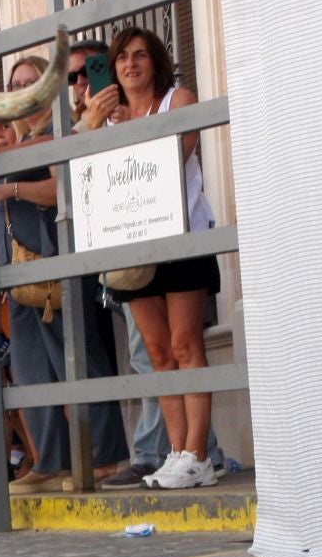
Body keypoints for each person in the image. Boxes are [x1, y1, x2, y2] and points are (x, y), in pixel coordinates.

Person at [79, 25, 226, 490]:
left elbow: (170, 159)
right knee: (159, 354)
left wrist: (124, 129)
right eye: (121, 58)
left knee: (187, 346)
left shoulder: (176, 101)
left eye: (140, 55)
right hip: (133, 240)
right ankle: (177, 450)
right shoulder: (105, 118)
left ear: (155, 61)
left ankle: (200, 455)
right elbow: (89, 176)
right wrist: (93, 122)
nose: (130, 64)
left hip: (180, 237)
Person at [0, 56, 128, 493]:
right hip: (18, 270)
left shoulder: (62, 129)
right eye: (17, 83)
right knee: (31, 368)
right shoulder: (22, 137)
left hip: (56, 260)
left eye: (33, 81)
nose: (25, 88)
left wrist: (8, 188)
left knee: (77, 357)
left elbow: (59, 189)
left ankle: (105, 456)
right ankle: (49, 461)